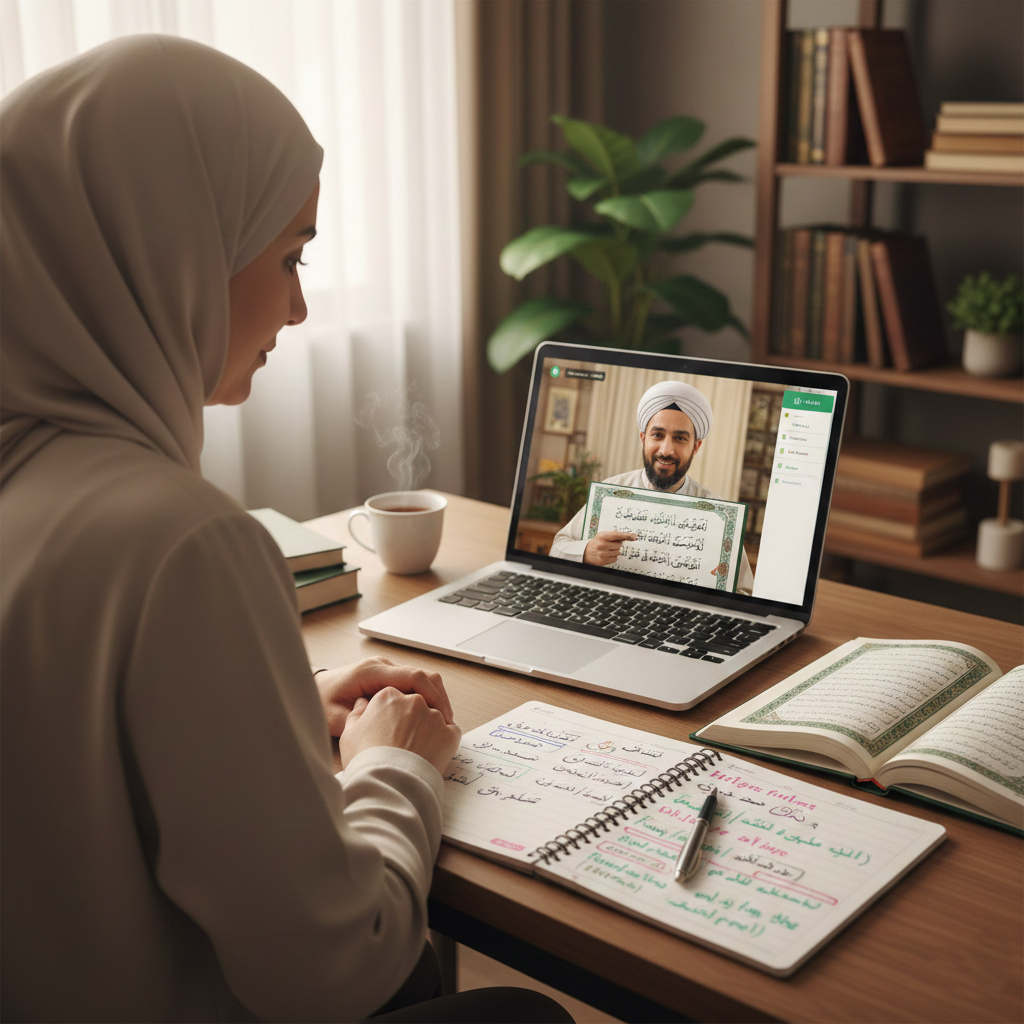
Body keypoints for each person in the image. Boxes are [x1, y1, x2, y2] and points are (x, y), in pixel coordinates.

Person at [0, 36, 571, 1024]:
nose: (300, 308)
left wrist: (280, 715)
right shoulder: (179, 540)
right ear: (173, 250)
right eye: (289, 256)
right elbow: (335, 969)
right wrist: (397, 764)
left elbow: (60, 768)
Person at [549, 380, 754, 595]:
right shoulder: (611, 492)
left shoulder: (719, 516)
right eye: (657, 435)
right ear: (643, 438)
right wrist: (585, 552)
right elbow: (557, 548)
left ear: (696, 447)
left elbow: (743, 591)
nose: (666, 450)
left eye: (680, 438)